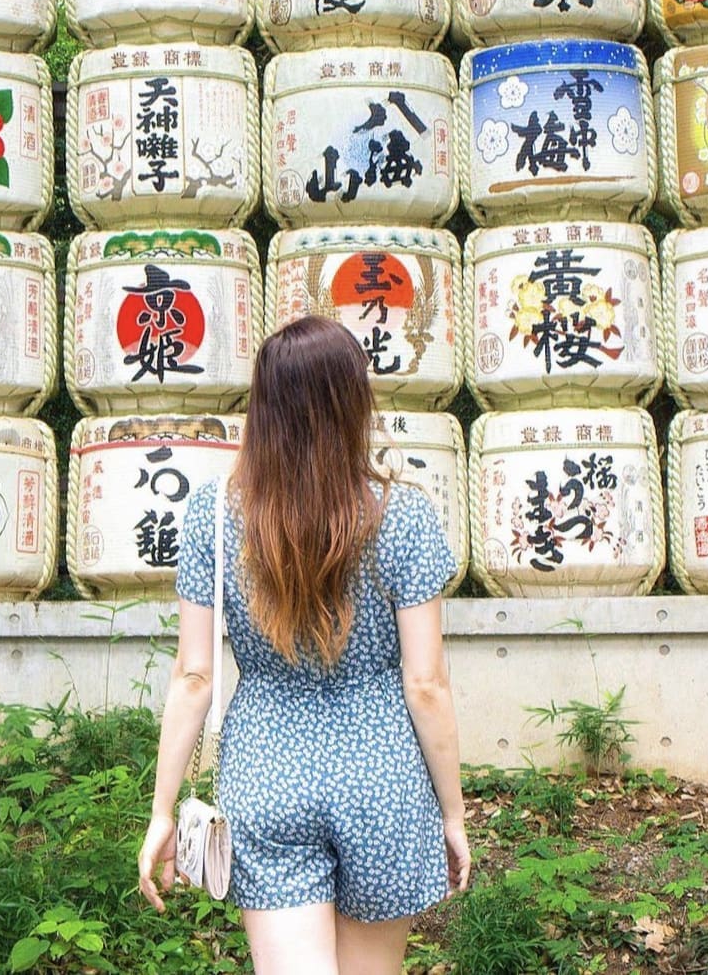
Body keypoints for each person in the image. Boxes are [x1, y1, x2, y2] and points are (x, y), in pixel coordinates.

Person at [138, 315, 471, 974]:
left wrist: (161, 809)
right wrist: (454, 813)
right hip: (382, 773)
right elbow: (426, 683)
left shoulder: (214, 512)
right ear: (354, 401)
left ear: (263, 406)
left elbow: (195, 676)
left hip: (267, 770)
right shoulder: (403, 514)